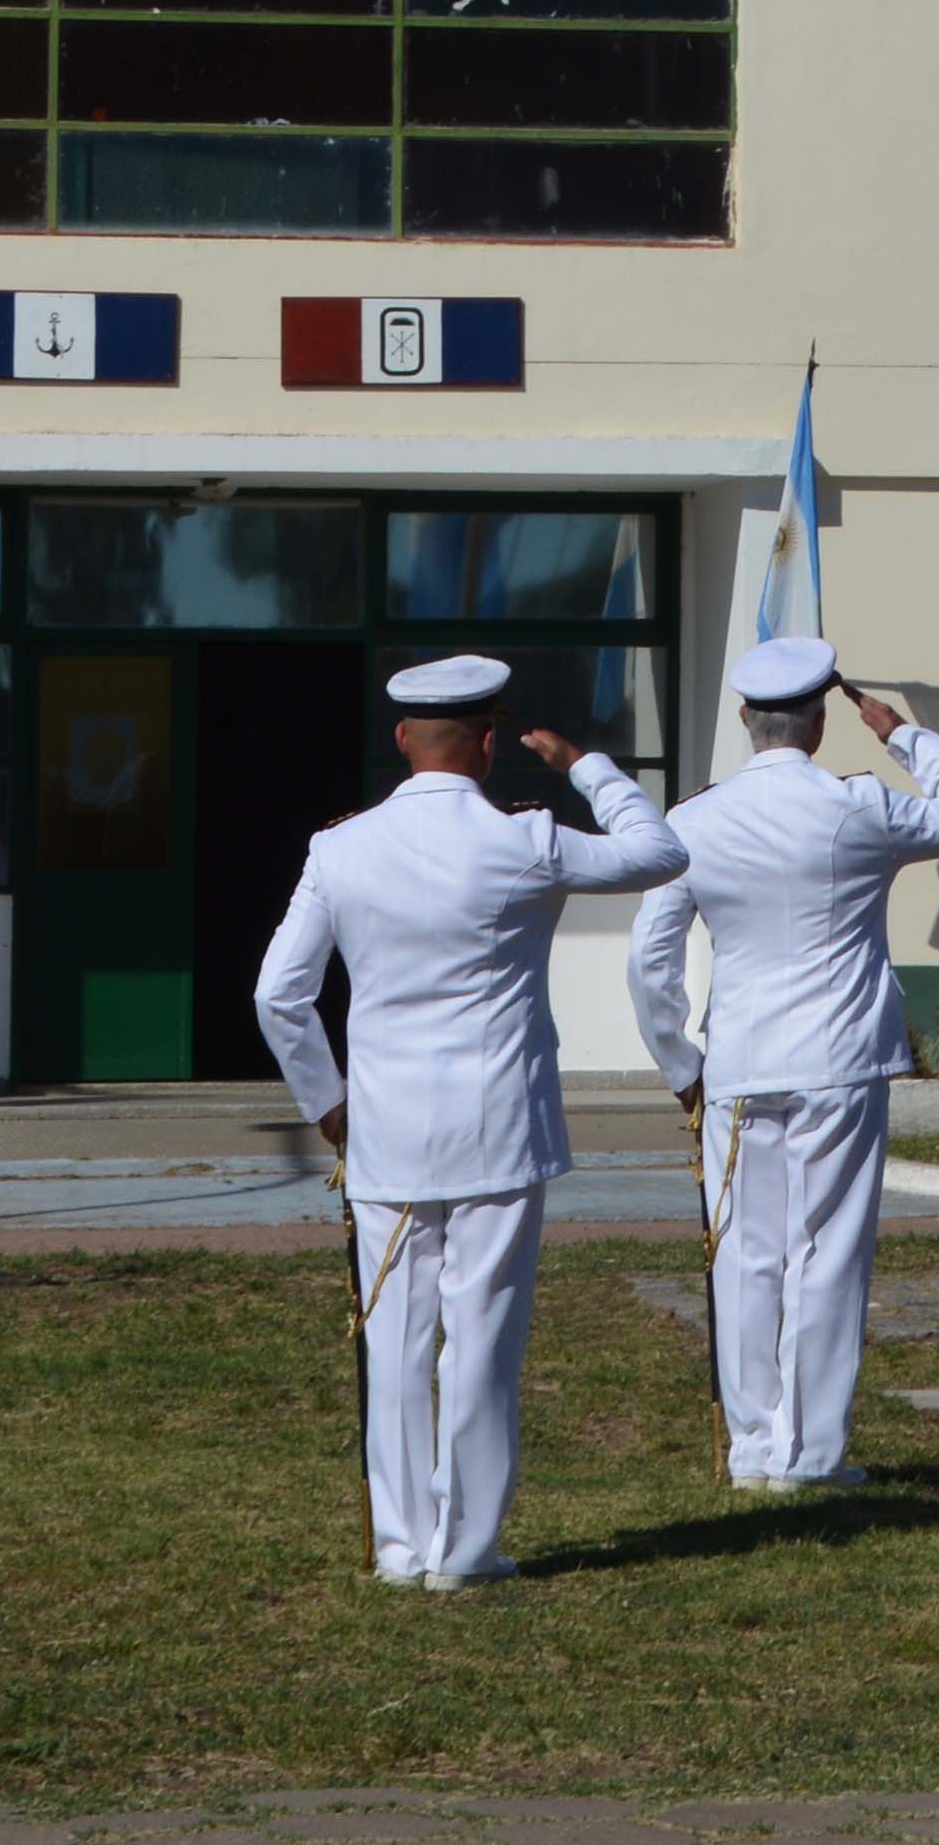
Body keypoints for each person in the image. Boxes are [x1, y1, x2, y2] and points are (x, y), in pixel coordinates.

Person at [254, 653, 685, 1590]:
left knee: (397, 1339)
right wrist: (587, 766)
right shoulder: (526, 839)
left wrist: (325, 1101)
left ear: (401, 740)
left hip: (386, 1132)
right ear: (488, 744)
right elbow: (661, 852)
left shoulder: (341, 848)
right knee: (481, 1336)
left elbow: (280, 995)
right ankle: (469, 1548)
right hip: (497, 1127)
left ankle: (404, 1546)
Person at [624, 633, 939, 1493]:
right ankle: (812, 1454)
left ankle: (755, 1449)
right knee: (826, 1254)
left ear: (744, 722)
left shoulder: (694, 818)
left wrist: (679, 1061)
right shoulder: (859, 805)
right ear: (821, 721)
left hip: (739, 1063)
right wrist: (902, 734)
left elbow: (651, 959)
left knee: (746, 1254)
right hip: (838, 1059)